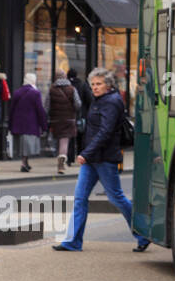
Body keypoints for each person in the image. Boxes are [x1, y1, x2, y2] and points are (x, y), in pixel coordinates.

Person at [53, 67, 150, 253]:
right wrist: (88, 154)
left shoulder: (112, 102)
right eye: (93, 84)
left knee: (116, 197)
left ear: (109, 85)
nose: (95, 88)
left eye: (99, 84)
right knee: (80, 198)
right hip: (92, 159)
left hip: (105, 159)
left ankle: (142, 233)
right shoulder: (99, 101)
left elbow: (105, 132)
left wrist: (85, 153)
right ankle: (73, 241)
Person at [8, 72, 48, 173]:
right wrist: (44, 125)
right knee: (27, 144)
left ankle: (25, 162)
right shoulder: (35, 93)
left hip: (18, 123)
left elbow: (11, 109)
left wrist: (10, 124)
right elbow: (40, 110)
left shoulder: (17, 92)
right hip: (30, 123)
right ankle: (24, 163)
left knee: (23, 144)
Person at [48, 73, 82, 175]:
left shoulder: (51, 90)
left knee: (57, 139)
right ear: (65, 77)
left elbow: (46, 105)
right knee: (64, 141)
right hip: (69, 119)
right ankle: (62, 159)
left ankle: (59, 156)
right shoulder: (72, 89)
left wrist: (48, 116)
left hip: (55, 120)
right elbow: (78, 104)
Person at [66, 67, 93, 166]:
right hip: (81, 116)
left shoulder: (66, 86)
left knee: (70, 138)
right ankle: (80, 156)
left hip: (68, 115)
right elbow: (90, 99)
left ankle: (69, 159)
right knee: (81, 137)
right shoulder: (82, 85)